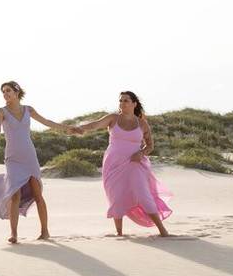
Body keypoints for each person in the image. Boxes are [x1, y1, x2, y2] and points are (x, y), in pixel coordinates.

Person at [0, 80, 78, 243]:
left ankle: (45, 231)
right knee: (15, 194)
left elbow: (47, 122)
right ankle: (14, 234)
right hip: (13, 158)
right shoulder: (1, 111)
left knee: (37, 194)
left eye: (8, 91)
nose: (5, 94)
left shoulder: (29, 110)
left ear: (17, 92)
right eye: (3, 92)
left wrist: (67, 128)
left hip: (29, 156)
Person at [74, 91, 172, 237]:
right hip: (113, 163)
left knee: (143, 194)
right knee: (116, 196)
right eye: (121, 101)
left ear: (134, 104)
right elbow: (95, 125)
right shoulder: (113, 118)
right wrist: (81, 128)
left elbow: (150, 145)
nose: (122, 103)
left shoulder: (142, 123)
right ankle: (119, 233)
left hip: (135, 163)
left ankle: (163, 231)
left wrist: (141, 153)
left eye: (126, 100)